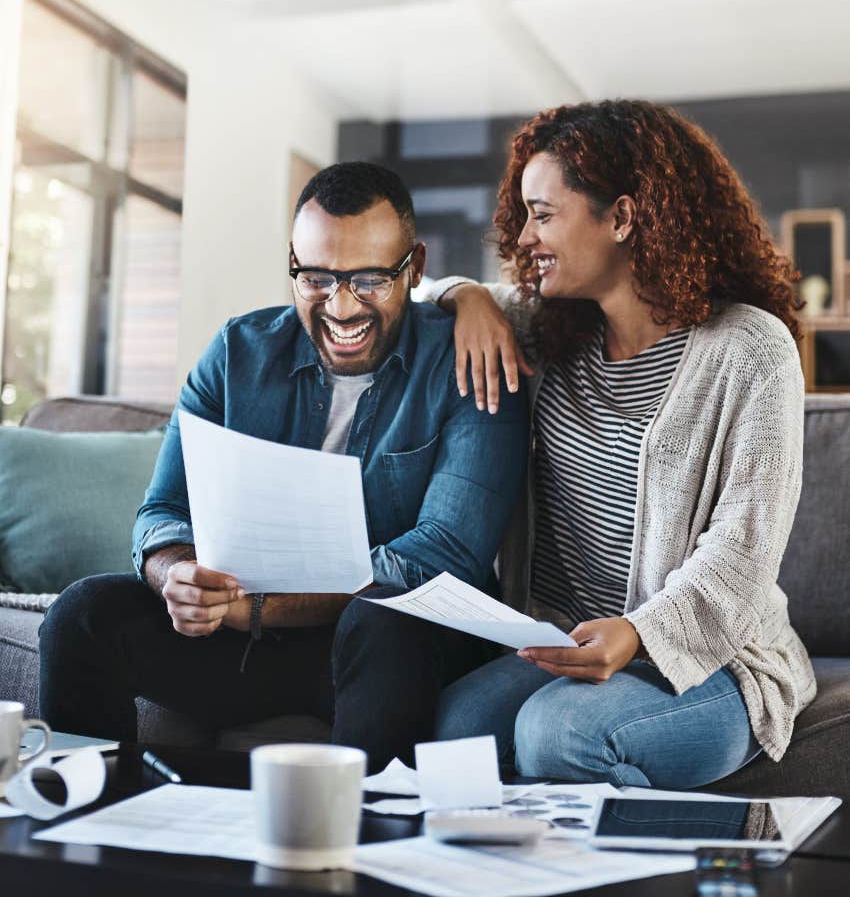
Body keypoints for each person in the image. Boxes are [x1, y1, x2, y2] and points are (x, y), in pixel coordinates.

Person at [39, 161, 527, 771]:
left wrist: (261, 607)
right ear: (293, 264)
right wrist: (178, 577)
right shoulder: (237, 353)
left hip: (383, 651)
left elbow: (440, 557)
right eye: (316, 277)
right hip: (240, 643)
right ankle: (84, 820)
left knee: (387, 621)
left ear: (416, 269)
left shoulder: (469, 365)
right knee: (83, 614)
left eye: (370, 278)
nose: (342, 307)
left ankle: (360, 845)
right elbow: (162, 511)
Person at [428, 100, 816, 788]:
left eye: (542, 214)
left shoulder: (751, 350)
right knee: (458, 726)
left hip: (716, 661)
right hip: (561, 647)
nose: (522, 238)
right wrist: (467, 297)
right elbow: (415, 290)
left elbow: (743, 551)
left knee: (556, 733)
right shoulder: (545, 330)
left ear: (623, 217)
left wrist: (638, 634)